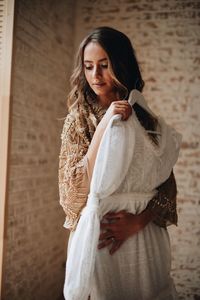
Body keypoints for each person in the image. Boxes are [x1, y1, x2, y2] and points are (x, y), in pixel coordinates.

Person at [58, 26, 182, 300]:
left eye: (104, 65)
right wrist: (104, 125)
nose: (95, 76)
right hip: (98, 242)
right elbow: (71, 195)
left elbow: (167, 187)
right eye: (88, 67)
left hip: (144, 239)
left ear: (121, 65)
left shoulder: (146, 119)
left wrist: (138, 221)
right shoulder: (78, 121)